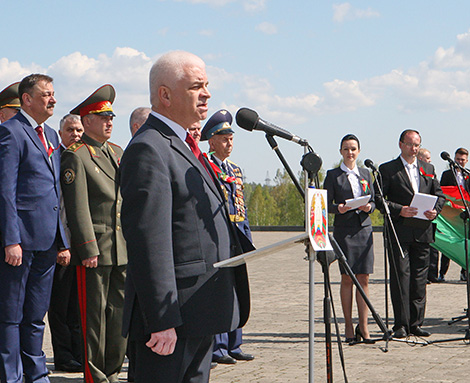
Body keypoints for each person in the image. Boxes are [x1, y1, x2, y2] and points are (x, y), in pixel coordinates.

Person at [119, 50, 250, 383]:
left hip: (199, 310)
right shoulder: (150, 147)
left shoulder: (184, 144)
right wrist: (162, 319)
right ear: (165, 95)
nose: (206, 93)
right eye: (196, 86)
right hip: (170, 319)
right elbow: (149, 239)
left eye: (207, 85)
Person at [0, 73, 70, 383]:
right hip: (21, 240)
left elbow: (55, 190)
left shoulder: (52, 136)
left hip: (48, 239)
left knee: (35, 316)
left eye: (53, 94)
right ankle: (11, 376)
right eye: (46, 94)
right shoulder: (10, 133)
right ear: (27, 99)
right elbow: (6, 191)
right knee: (11, 316)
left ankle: (36, 374)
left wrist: (62, 238)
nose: (52, 99)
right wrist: (10, 239)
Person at [61, 85, 127, 383]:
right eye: (103, 117)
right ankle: (95, 375)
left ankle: (113, 371)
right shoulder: (77, 156)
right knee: (94, 318)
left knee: (117, 317)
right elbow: (78, 208)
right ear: (86, 121)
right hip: (96, 250)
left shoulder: (116, 152)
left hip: (121, 249)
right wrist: (87, 248)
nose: (109, 122)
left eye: (111, 117)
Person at [375, 129, 445, 338]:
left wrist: (436, 210)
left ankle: (416, 323)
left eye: (417, 145)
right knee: (401, 278)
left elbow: (439, 194)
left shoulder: (428, 168)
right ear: (400, 144)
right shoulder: (388, 169)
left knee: (419, 279)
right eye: (410, 144)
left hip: (423, 231)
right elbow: (379, 198)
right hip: (399, 232)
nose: (414, 149)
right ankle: (401, 325)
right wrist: (399, 209)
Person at [200, 109, 255, 364]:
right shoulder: (206, 166)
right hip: (219, 236)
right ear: (211, 140)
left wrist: (246, 234)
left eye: (231, 138)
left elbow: (240, 203)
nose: (229, 143)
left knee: (237, 288)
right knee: (220, 290)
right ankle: (218, 347)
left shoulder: (235, 169)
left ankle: (235, 343)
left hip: (237, 235)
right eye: (224, 138)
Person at [323, 134, 375, 343]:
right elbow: (324, 204)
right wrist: (339, 208)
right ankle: (347, 326)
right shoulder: (333, 175)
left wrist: (369, 206)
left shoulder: (366, 173)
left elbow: (373, 199)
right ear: (340, 152)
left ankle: (364, 327)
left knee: (363, 279)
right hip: (344, 231)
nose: (350, 152)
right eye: (346, 149)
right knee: (347, 278)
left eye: (353, 149)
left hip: (364, 230)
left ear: (359, 151)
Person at [48, 114, 84, 373]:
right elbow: (59, 207)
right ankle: (63, 354)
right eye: (70, 129)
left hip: (81, 245)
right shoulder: (57, 159)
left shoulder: (82, 155)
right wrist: (63, 245)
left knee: (77, 303)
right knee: (60, 304)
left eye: (79, 129)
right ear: (61, 133)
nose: (76, 134)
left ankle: (78, 351)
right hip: (63, 244)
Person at [439, 147, 469, 282]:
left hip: (466, 212)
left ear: (466, 160)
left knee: (465, 241)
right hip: (451, 212)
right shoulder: (447, 174)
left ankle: (465, 272)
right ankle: (442, 272)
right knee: (450, 240)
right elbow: (442, 192)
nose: (459, 162)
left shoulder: (468, 174)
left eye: (462, 160)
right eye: (458, 159)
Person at [417, 148, 440, 284]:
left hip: (428, 217)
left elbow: (439, 194)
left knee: (431, 250)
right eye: (427, 158)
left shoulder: (430, 171)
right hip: (410, 221)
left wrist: (436, 209)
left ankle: (431, 274)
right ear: (420, 158)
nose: (429, 160)